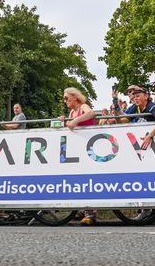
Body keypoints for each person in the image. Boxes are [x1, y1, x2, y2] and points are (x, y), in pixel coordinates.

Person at [58, 87, 96, 225]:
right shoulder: (72, 111)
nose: (64, 101)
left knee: (88, 180)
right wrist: (65, 121)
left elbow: (91, 113)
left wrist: (75, 121)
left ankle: (90, 213)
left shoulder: (82, 106)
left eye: (66, 97)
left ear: (75, 97)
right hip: (77, 150)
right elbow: (71, 127)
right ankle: (82, 209)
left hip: (90, 148)